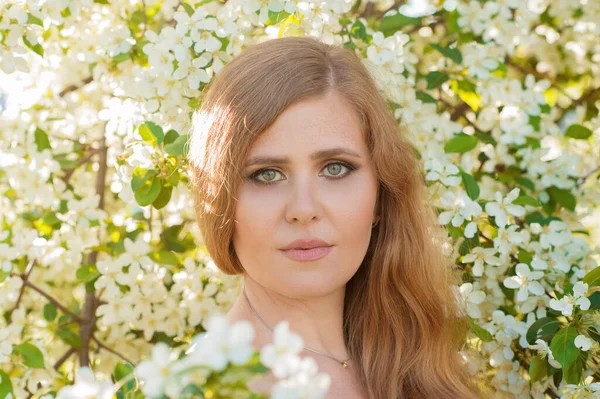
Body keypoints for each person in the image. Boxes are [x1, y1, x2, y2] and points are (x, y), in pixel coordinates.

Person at [188, 36, 483, 398]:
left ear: (380, 195)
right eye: (266, 174)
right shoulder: (204, 387)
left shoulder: (417, 360)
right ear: (219, 202)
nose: (304, 209)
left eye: (336, 168)